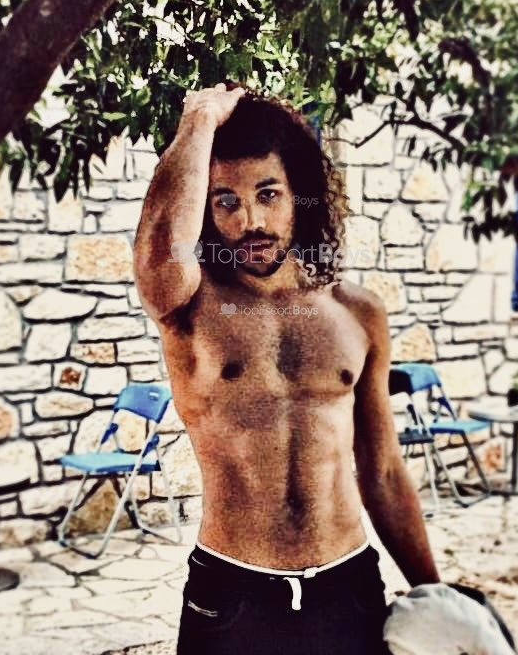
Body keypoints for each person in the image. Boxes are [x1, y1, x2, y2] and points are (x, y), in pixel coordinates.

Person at [133, 83, 441, 655]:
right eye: (225, 201)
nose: (250, 220)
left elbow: (383, 471)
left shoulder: (358, 314)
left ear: (300, 196)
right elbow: (159, 251)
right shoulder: (189, 307)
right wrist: (199, 119)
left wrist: (435, 593)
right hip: (232, 591)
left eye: (268, 194)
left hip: (348, 587)